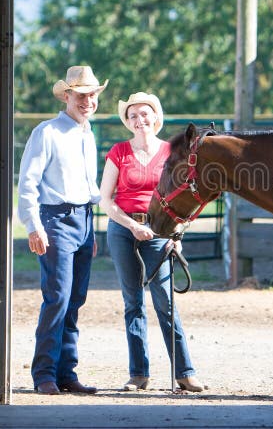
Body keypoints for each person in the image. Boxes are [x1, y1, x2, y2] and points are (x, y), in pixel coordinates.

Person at [99, 91, 204, 392]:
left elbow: (184, 197)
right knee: (133, 303)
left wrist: (178, 234)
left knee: (166, 302)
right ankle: (138, 373)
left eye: (145, 114)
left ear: (156, 118)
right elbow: (106, 200)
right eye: (133, 116)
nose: (139, 120)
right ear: (127, 122)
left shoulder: (171, 153)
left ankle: (185, 372)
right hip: (124, 229)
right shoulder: (118, 152)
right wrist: (131, 225)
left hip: (161, 231)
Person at [17, 65, 108, 395]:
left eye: (92, 95)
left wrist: (91, 231)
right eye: (81, 95)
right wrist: (33, 226)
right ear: (67, 96)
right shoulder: (48, 131)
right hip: (55, 220)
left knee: (75, 299)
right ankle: (44, 374)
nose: (88, 101)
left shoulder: (87, 133)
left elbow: (87, 186)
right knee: (57, 297)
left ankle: (66, 372)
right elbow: (28, 181)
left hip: (83, 220)